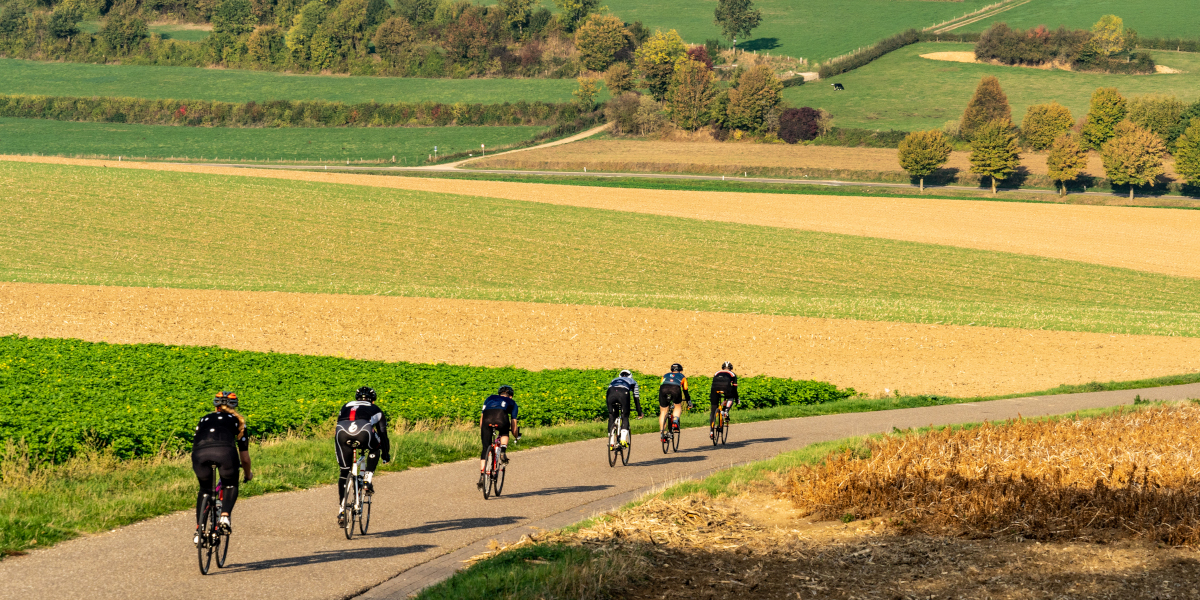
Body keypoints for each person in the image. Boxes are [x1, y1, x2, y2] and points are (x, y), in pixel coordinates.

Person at [192, 391, 252, 544]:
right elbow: (244, 459)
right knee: (230, 484)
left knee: (205, 490)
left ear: (216, 405)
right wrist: (247, 475)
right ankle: (225, 516)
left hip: (199, 455)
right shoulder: (238, 422)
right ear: (235, 405)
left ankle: (199, 531)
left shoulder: (203, 419)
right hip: (225, 453)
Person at [335, 386, 391, 525]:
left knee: (344, 471)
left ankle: (342, 511)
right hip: (363, 431)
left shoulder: (346, 405)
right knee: (375, 447)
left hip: (342, 432)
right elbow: (383, 434)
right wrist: (385, 454)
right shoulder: (376, 409)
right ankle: (367, 479)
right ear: (373, 400)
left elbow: (340, 421)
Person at [479, 385, 520, 490]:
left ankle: (482, 476)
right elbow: (514, 426)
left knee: (485, 449)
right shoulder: (513, 403)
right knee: (505, 432)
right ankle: (502, 451)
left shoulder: (489, 398)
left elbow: (482, 418)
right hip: (501, 417)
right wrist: (516, 435)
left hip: (487, 419)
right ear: (510, 396)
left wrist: (483, 430)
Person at [606, 369, 643, 447]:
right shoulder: (633, 381)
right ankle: (623, 439)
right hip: (623, 393)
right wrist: (639, 412)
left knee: (612, 416)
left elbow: (608, 391)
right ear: (630, 376)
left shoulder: (614, 380)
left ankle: (611, 442)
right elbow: (636, 398)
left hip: (610, 393)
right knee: (625, 416)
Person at [658, 363, 691, 440]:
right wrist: (688, 401)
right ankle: (675, 421)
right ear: (681, 371)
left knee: (663, 411)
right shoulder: (682, 377)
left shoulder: (665, 375)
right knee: (677, 406)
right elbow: (685, 390)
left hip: (663, 389)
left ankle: (662, 433)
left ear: (671, 370)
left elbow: (661, 385)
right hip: (675, 389)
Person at [709, 362, 739, 438]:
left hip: (714, 389)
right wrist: (736, 398)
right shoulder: (732, 374)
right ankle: (726, 411)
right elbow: (735, 388)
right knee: (730, 397)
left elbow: (714, 383)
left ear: (722, 368)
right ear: (731, 368)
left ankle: (711, 431)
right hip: (726, 388)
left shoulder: (717, 373)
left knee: (713, 410)